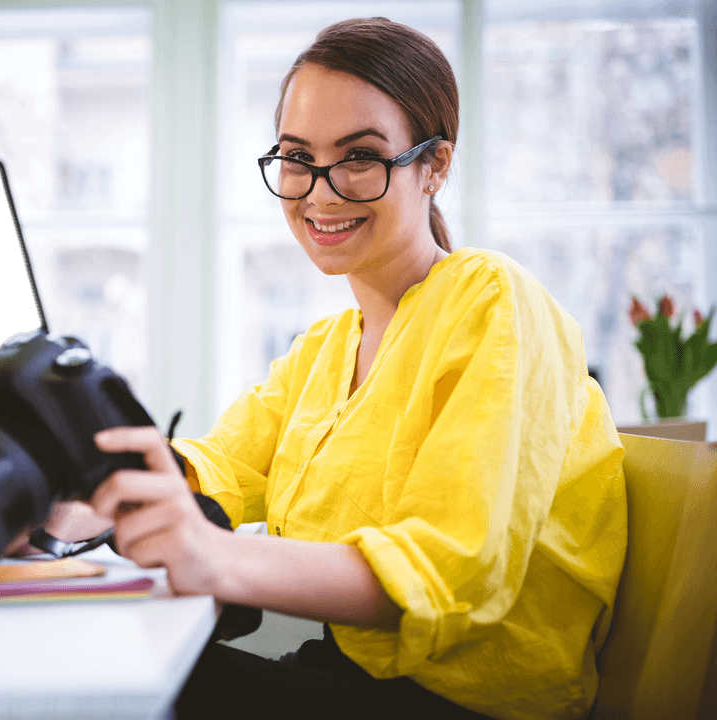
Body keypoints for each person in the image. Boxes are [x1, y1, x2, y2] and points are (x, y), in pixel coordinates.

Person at [40, 17, 627, 720]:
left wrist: (212, 554)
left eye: (360, 157)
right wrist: (69, 508)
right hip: (348, 680)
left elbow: (451, 571)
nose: (319, 192)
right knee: (98, 659)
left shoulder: (492, 301)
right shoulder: (323, 347)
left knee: (99, 688)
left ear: (434, 165)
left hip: (465, 706)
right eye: (297, 156)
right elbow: (222, 464)